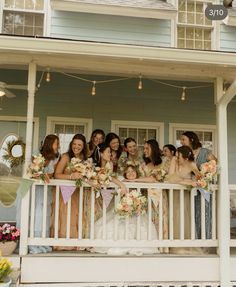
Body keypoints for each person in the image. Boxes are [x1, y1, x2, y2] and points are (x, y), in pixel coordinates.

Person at [90, 162, 159, 256]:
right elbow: (110, 177)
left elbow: (152, 179)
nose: (130, 173)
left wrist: (135, 181)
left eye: (133, 171)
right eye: (128, 172)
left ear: (136, 172)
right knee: (111, 226)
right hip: (123, 211)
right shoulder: (123, 181)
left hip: (136, 213)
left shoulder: (139, 182)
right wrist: (122, 184)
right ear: (125, 174)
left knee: (141, 226)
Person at [127, 139, 169, 253]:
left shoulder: (164, 162)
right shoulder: (143, 165)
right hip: (147, 196)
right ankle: (152, 244)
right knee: (150, 219)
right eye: (144, 148)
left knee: (162, 218)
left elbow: (155, 178)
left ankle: (162, 246)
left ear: (153, 149)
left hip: (160, 196)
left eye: (147, 148)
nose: (144, 151)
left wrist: (136, 180)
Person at [51, 134, 89, 249]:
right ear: (71, 144)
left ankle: (74, 243)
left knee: (77, 217)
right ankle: (63, 245)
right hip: (65, 193)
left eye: (79, 145)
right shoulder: (66, 157)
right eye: (74, 144)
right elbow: (57, 175)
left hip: (77, 193)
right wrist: (72, 176)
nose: (76, 147)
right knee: (65, 216)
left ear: (83, 146)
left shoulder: (85, 160)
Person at [180, 131, 217, 240]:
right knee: (192, 215)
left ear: (191, 140)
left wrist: (207, 176)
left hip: (203, 188)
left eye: (183, 139)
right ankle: (195, 240)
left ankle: (207, 240)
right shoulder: (185, 154)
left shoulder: (205, 152)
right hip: (190, 188)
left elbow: (215, 166)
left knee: (205, 214)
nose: (181, 142)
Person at [29, 134, 60, 254]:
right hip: (35, 189)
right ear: (50, 143)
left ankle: (42, 242)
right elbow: (32, 169)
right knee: (35, 213)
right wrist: (39, 173)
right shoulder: (37, 154)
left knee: (43, 215)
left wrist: (45, 174)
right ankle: (32, 243)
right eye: (56, 143)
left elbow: (52, 174)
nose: (58, 146)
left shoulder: (55, 158)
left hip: (45, 190)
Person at [167, 146, 199, 244]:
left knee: (183, 217)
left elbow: (200, 180)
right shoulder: (174, 161)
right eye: (176, 156)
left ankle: (185, 244)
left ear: (185, 157)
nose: (176, 158)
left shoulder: (192, 165)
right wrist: (186, 181)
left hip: (184, 196)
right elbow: (170, 179)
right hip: (173, 194)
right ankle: (173, 243)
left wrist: (190, 181)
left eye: (178, 157)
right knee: (173, 217)